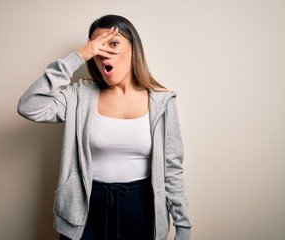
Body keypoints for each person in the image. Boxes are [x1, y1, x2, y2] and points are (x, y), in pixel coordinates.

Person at [18, 14, 192, 240]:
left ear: (134, 49)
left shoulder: (162, 102)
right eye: (97, 46)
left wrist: (183, 227)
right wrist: (78, 56)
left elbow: (172, 169)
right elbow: (29, 106)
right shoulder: (78, 96)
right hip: (85, 207)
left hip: (141, 207)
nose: (103, 53)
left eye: (113, 43)